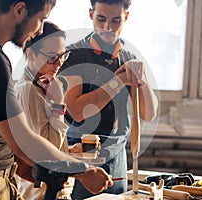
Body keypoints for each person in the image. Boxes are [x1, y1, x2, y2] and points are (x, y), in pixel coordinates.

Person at [0, 1, 113, 199]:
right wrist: (83, 171)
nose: (39, 30)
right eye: (40, 19)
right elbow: (23, 142)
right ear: (19, 10)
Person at [58, 0, 158, 199]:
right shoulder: (74, 55)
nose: (107, 28)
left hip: (117, 156)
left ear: (126, 18)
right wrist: (119, 80)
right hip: (82, 155)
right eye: (101, 19)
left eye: (115, 21)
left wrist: (142, 78)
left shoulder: (128, 58)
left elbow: (149, 113)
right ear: (90, 14)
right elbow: (77, 111)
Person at [14, 21, 82, 200]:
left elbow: (49, 142)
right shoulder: (28, 90)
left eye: (62, 56)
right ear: (31, 54)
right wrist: (59, 105)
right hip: (42, 192)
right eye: (52, 56)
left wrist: (68, 150)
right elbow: (44, 152)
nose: (59, 63)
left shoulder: (42, 87)